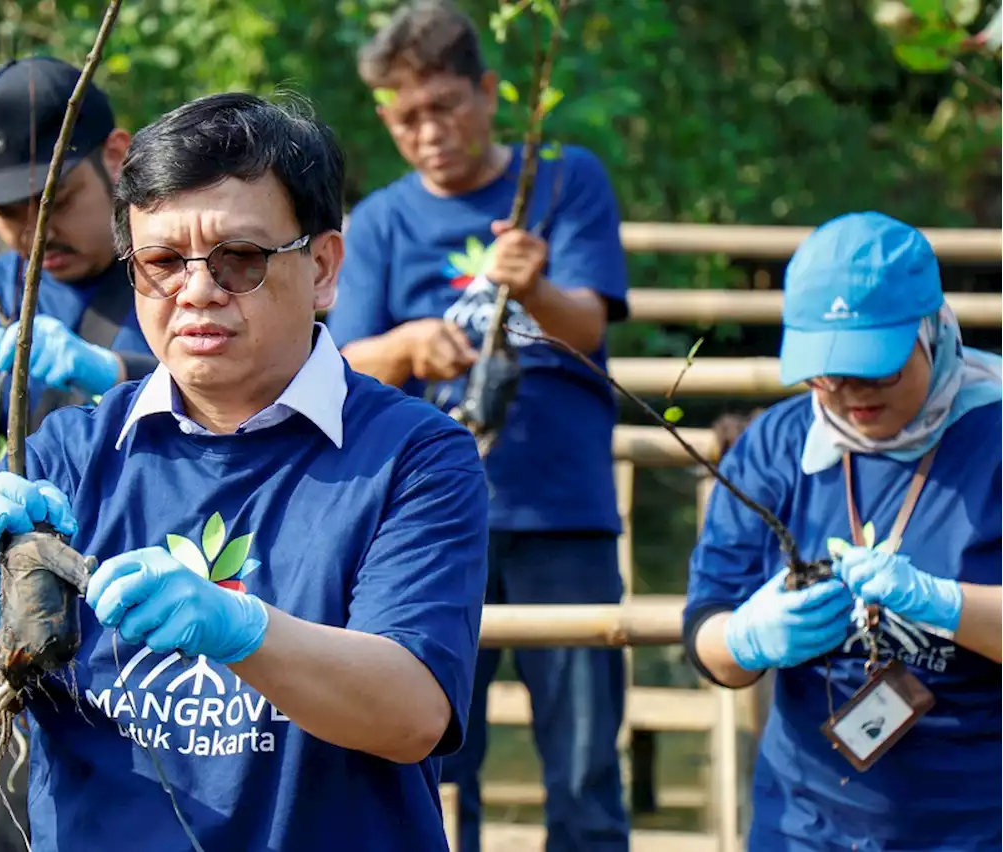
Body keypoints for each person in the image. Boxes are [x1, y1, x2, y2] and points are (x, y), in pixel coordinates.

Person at [0, 91, 489, 852]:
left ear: (325, 266)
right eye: (163, 262)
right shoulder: (63, 457)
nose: (197, 291)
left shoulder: (415, 454)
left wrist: (242, 629)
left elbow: (413, 714)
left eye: (240, 259)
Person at [328, 3, 631, 850]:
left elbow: (585, 327)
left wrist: (534, 286)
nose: (429, 131)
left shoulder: (566, 180)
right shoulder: (381, 219)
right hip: (423, 522)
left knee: (581, 761)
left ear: (491, 92)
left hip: (561, 510)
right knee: (428, 753)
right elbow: (342, 364)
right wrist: (402, 346)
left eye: (445, 105)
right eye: (405, 115)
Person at [683, 211, 1003, 850]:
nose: (850, 396)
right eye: (826, 375)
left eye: (875, 371)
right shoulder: (777, 445)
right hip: (804, 823)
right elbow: (706, 632)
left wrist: (946, 604)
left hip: (976, 820)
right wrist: (747, 637)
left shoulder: (992, 435)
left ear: (931, 331)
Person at [0, 56, 157, 851]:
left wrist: (117, 373)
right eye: (5, 214)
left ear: (116, 156)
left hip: (153, 619)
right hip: (24, 629)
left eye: (52, 202)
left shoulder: (177, 280)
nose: (30, 233)